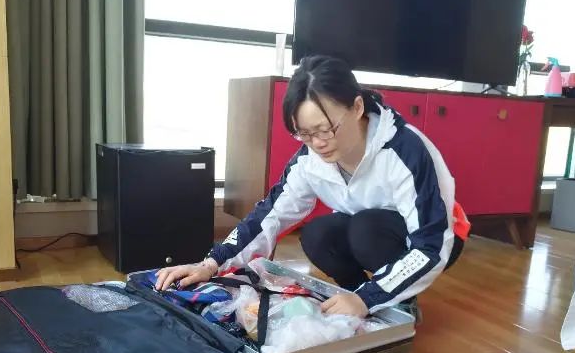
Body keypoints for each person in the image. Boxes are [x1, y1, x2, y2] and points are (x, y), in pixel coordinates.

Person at [156, 55, 469, 319]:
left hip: (437, 236)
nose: (318, 143)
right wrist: (210, 265)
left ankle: (396, 301)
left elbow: (430, 243)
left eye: (325, 129)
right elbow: (269, 215)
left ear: (357, 107)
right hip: (368, 229)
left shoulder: (406, 150)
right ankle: (357, 295)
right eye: (304, 134)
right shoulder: (309, 159)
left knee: (366, 229)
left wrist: (368, 299)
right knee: (318, 235)